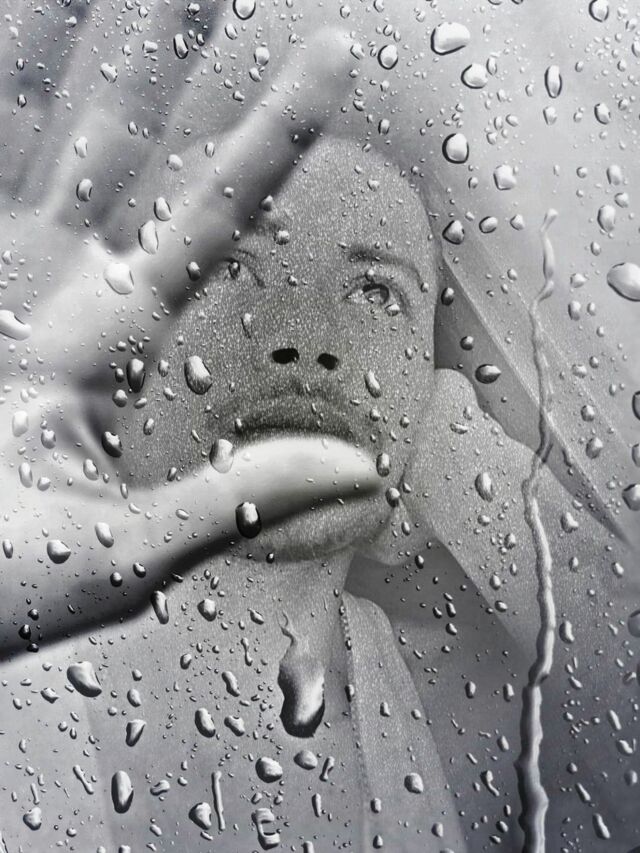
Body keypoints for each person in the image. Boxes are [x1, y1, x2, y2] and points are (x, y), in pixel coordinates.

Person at [1, 7, 638, 853]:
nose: (305, 339)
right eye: (229, 269)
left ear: (427, 368)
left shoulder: (471, 723)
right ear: (122, 346)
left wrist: (453, 449)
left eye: (377, 292)